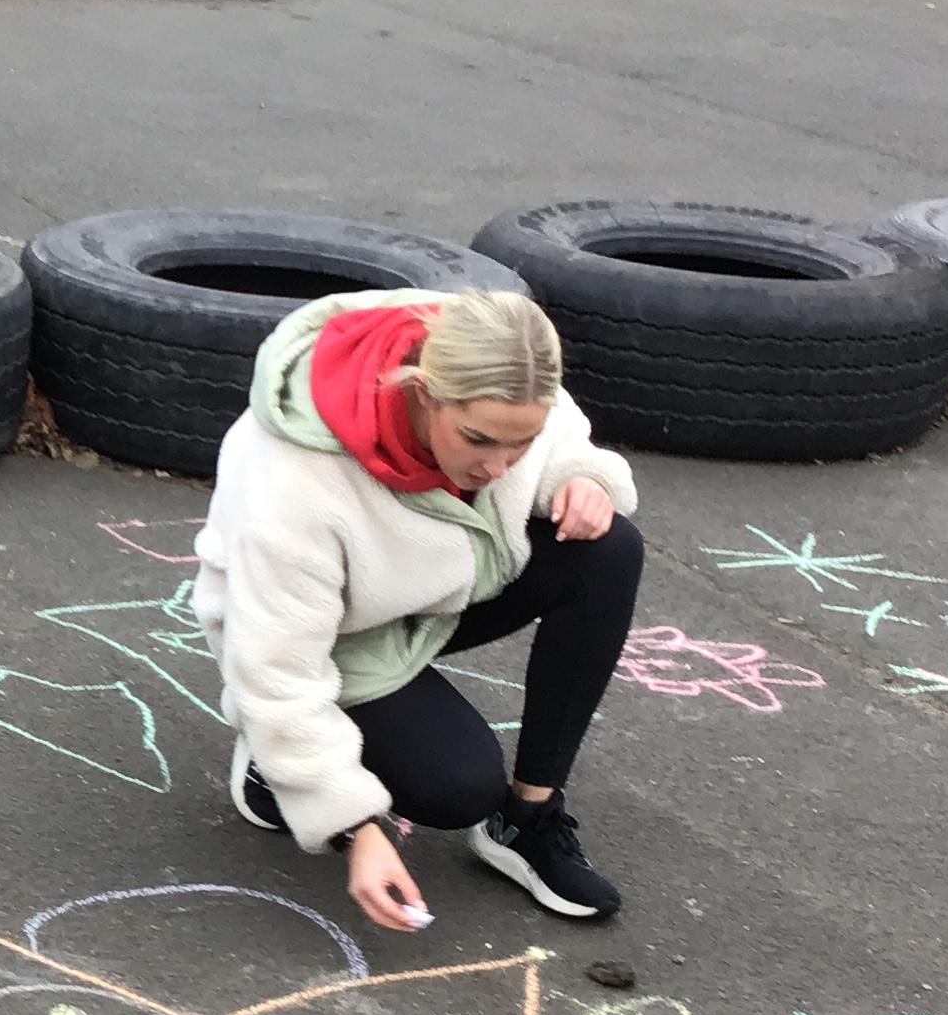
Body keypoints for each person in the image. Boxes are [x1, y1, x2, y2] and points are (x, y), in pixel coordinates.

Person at [196, 286, 644, 933]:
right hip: (326, 637)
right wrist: (352, 824)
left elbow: (562, 434)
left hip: (440, 581)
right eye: (478, 439)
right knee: (456, 788)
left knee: (608, 551)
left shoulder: (499, 352)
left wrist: (579, 475)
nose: (498, 466)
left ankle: (525, 821)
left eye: (520, 443)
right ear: (423, 393)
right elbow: (273, 672)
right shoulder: (295, 482)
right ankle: (273, 771)